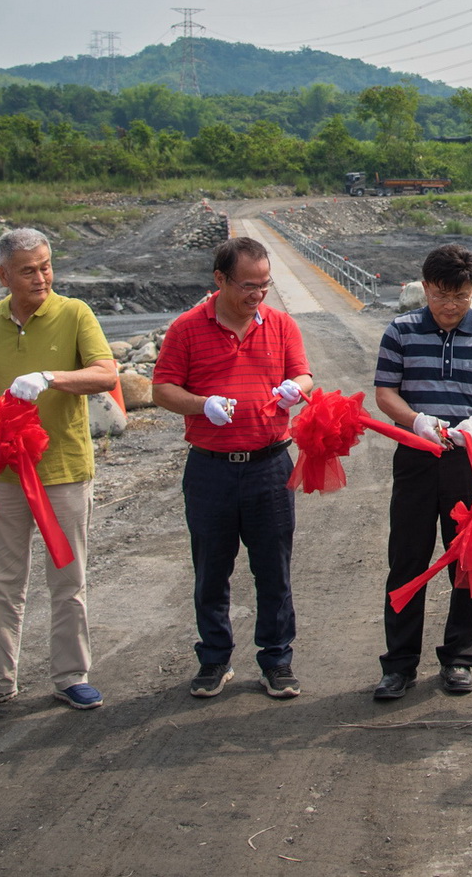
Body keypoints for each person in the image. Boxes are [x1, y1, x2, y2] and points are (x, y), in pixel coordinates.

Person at [0, 228, 117, 716]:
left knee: (68, 578)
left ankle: (71, 677)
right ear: (3, 275)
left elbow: (107, 373)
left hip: (63, 469)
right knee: (4, 581)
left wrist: (51, 378)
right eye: (28, 270)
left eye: (46, 266)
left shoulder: (74, 314)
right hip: (2, 472)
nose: (42, 276)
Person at [152, 237, 313, 701]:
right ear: (219, 279)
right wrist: (201, 405)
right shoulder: (186, 329)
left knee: (274, 568)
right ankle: (214, 658)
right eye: (247, 286)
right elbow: (162, 389)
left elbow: (303, 375)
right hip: (211, 469)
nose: (256, 295)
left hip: (269, 464)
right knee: (211, 568)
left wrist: (292, 389)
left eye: (264, 285)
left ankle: (277, 660)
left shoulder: (281, 326)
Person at [370, 245, 472, 700]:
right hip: (417, 454)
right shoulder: (401, 330)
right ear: (425, 287)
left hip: (468, 456)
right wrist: (415, 420)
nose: (450, 306)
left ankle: (459, 657)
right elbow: (385, 392)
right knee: (408, 557)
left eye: (461, 297)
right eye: (440, 296)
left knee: (468, 557)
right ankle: (399, 665)